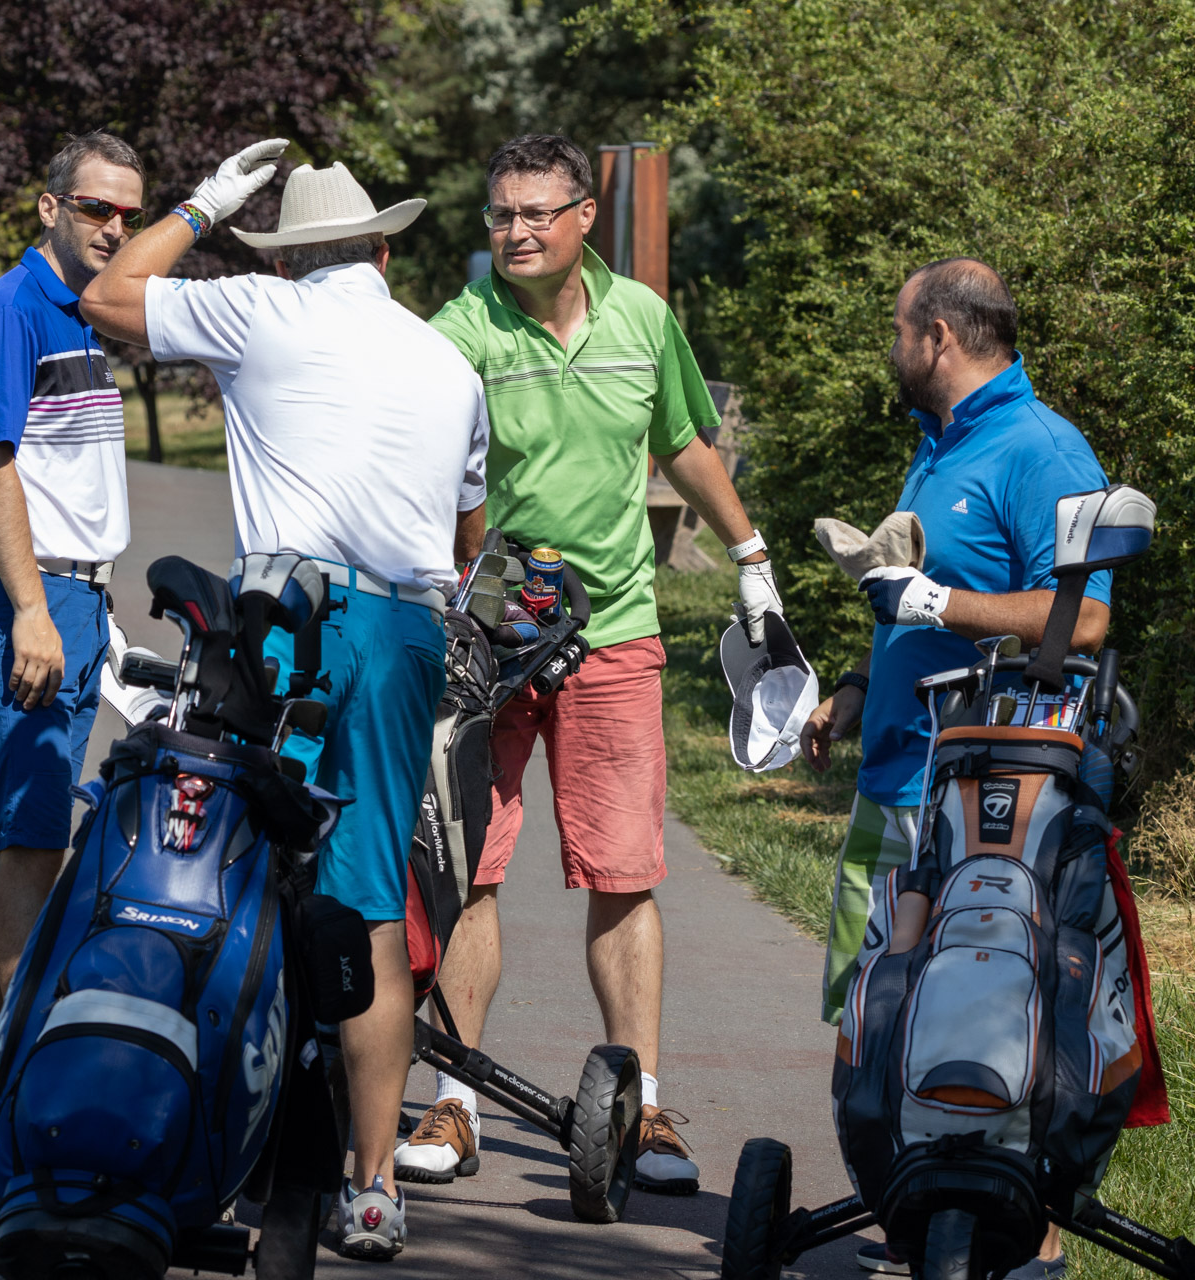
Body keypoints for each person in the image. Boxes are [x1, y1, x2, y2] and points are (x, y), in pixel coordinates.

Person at [81, 143, 490, 1262]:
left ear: (284, 256)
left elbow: (107, 294)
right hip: (406, 629)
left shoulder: (262, 310)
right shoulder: (447, 360)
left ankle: (196, 1127)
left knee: (231, 862)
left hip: (288, 619)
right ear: (383, 254)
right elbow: (467, 531)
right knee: (368, 902)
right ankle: (373, 1184)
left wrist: (204, 204)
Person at [399, 133, 783, 1196]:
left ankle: (641, 1107)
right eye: (501, 215)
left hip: (613, 634)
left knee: (622, 873)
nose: (515, 232)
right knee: (469, 867)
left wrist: (751, 556)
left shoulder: (644, 318)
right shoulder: (461, 331)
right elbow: (417, 465)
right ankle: (458, 1098)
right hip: (486, 643)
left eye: (536, 213)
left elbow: (685, 443)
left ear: (582, 218)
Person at [800, 257, 1112, 1280]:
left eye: (899, 328)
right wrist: (858, 682)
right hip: (895, 776)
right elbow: (911, 595)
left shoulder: (1041, 448)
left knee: (992, 1011)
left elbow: (1085, 617)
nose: (891, 347)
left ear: (938, 335)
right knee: (882, 1014)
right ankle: (915, 1220)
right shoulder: (936, 443)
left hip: (990, 798)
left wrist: (937, 603)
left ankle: (1032, 1243)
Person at [0, 131, 145, 1079]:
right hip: (29, 598)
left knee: (12, 838)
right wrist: (32, 609)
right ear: (50, 207)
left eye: (128, 214)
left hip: (72, 596)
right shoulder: (10, 311)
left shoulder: (85, 312)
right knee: (32, 843)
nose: (114, 227)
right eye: (97, 207)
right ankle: (25, 1076)